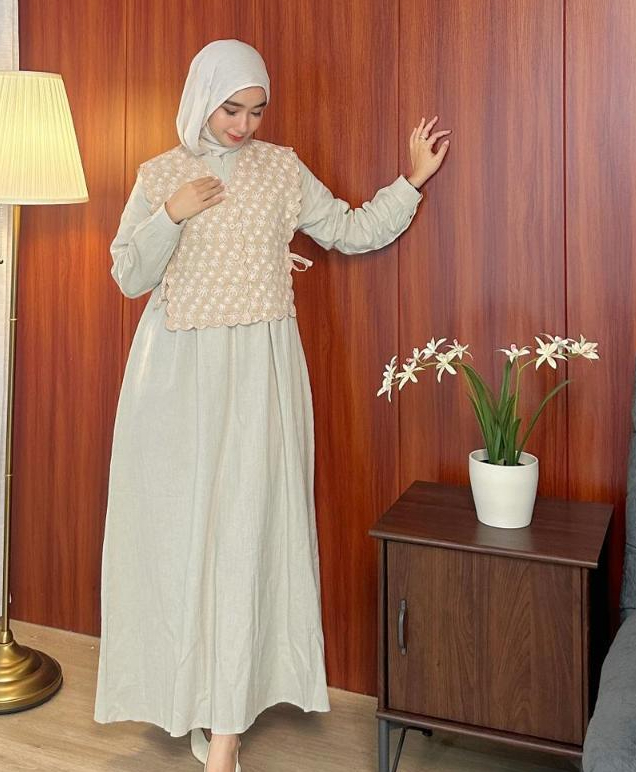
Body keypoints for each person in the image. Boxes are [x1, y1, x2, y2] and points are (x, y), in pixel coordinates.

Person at [93, 39, 451, 772]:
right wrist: (170, 214)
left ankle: (225, 733)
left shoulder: (280, 169)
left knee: (246, 536)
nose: (243, 125)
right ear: (201, 98)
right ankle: (191, 698)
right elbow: (129, 276)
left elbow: (350, 229)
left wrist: (411, 180)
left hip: (260, 377)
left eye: (256, 111)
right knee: (178, 540)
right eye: (231, 109)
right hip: (174, 382)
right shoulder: (160, 174)